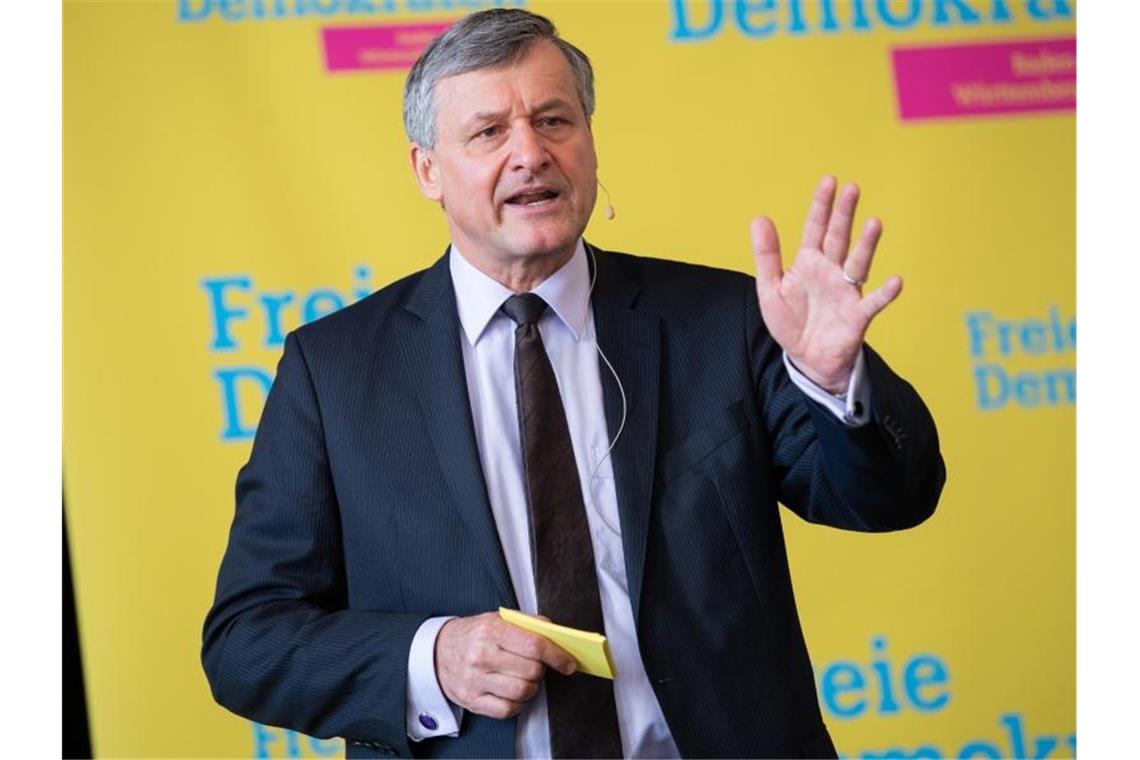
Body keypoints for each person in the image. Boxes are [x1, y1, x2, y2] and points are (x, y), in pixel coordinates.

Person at [202, 8, 945, 759]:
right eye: (489, 131)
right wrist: (432, 658)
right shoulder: (333, 372)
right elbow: (247, 641)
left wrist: (831, 379)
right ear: (427, 168)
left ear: (589, 142)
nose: (531, 153)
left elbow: (890, 501)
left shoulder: (724, 323)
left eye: (554, 120)